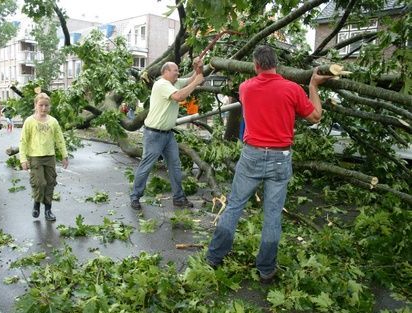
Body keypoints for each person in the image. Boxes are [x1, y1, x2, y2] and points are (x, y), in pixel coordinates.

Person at [206, 45, 332, 283]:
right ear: (276, 64)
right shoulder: (292, 89)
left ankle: (214, 257)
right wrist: (313, 86)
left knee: (234, 207)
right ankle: (266, 270)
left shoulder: (245, 88)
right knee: (272, 215)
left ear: (255, 65)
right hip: (280, 157)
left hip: (251, 155)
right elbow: (316, 116)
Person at [130, 58, 205, 210]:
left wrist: (199, 68)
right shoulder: (161, 84)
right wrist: (197, 81)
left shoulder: (173, 83)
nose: (178, 73)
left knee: (175, 166)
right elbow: (179, 96)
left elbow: (193, 79)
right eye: (175, 70)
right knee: (146, 166)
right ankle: (135, 197)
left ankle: (178, 198)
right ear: (165, 72)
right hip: (154, 135)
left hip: (168, 135)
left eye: (178, 70)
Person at [19, 93, 69, 221]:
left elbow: (59, 139)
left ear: (49, 106)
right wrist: (23, 159)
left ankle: (48, 210)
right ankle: (36, 203)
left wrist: (64, 155)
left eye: (46, 105)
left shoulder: (53, 121)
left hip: (50, 157)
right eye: (40, 105)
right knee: (40, 183)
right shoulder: (29, 121)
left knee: (50, 183)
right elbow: (23, 141)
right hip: (35, 157)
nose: (43, 108)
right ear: (35, 105)